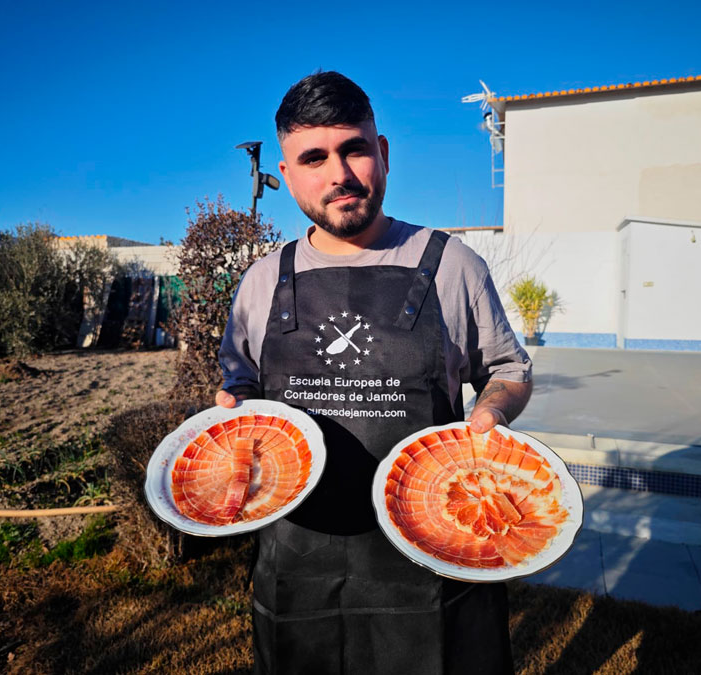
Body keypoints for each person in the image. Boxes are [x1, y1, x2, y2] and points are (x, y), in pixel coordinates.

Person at [216, 71, 532, 675]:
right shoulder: (262, 279)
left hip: (434, 553)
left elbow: (509, 368)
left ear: (381, 153)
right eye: (314, 157)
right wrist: (230, 414)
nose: (339, 174)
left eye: (353, 148)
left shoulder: (451, 264)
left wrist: (491, 411)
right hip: (297, 563)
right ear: (286, 176)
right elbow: (239, 386)